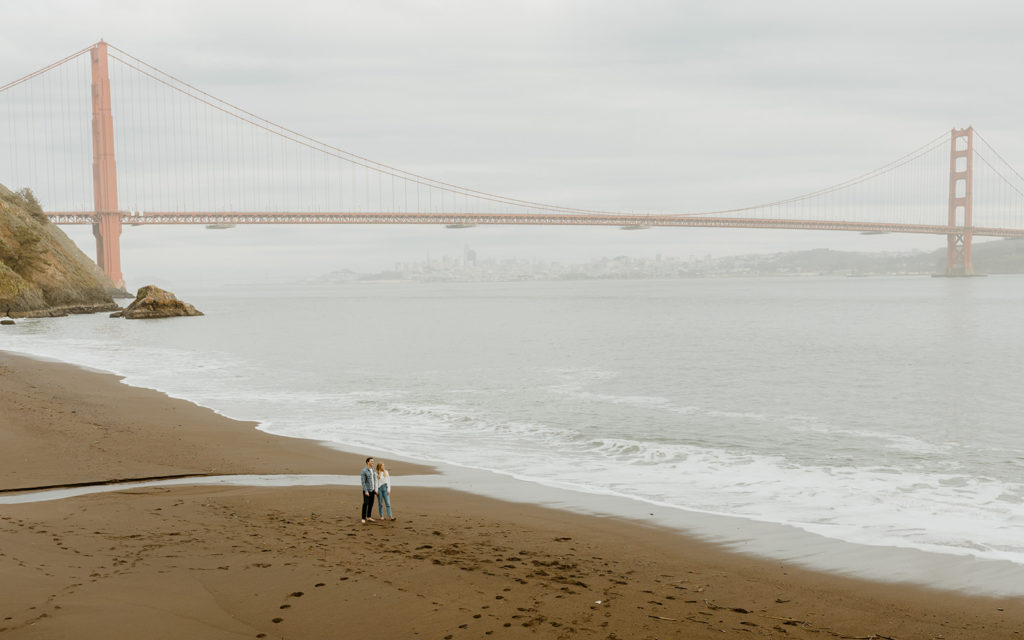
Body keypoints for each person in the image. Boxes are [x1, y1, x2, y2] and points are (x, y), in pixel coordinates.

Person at [360, 456, 376, 523]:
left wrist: (375, 489)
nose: (373, 462)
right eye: (371, 461)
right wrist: (366, 491)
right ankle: (363, 518)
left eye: (373, 461)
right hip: (367, 490)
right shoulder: (364, 471)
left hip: (372, 490)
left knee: (371, 504)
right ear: (367, 462)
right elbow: (363, 482)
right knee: (365, 503)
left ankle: (369, 517)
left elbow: (374, 480)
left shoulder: (373, 470)